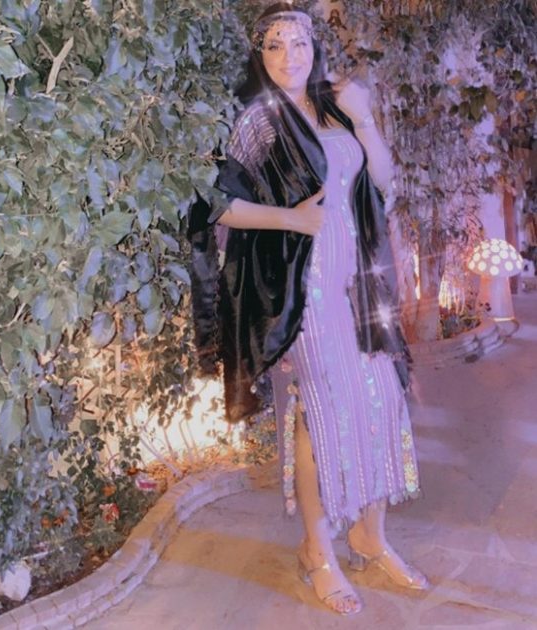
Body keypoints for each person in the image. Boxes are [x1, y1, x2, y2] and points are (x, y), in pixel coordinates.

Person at [188, 3, 428, 616]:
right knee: (322, 411)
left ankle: (370, 536)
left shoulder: (337, 105)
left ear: (315, 46)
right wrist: (291, 219)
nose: (289, 56)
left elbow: (384, 183)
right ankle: (317, 550)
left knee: (381, 398)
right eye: (274, 45)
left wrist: (365, 117)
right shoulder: (256, 121)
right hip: (305, 289)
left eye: (299, 42)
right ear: (259, 55)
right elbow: (214, 205)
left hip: (361, 279)